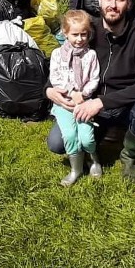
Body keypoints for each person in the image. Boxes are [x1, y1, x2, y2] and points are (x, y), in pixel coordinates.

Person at [46, 0, 135, 181]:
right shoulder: (89, 30)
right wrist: (48, 89)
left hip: (126, 105)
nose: (113, 5)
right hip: (88, 104)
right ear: (99, 0)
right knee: (56, 143)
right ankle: (97, 143)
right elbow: (64, 56)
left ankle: (129, 156)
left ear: (128, 3)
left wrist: (101, 102)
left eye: (119, 0)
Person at [48, 10, 101, 186]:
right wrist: (71, 92)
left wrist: (84, 94)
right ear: (65, 33)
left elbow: (95, 78)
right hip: (65, 103)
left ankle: (93, 159)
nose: (79, 39)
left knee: (86, 137)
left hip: (84, 103)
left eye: (83, 34)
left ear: (89, 34)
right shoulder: (57, 55)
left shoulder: (91, 55)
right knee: (70, 135)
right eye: (75, 35)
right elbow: (55, 78)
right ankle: (75, 169)